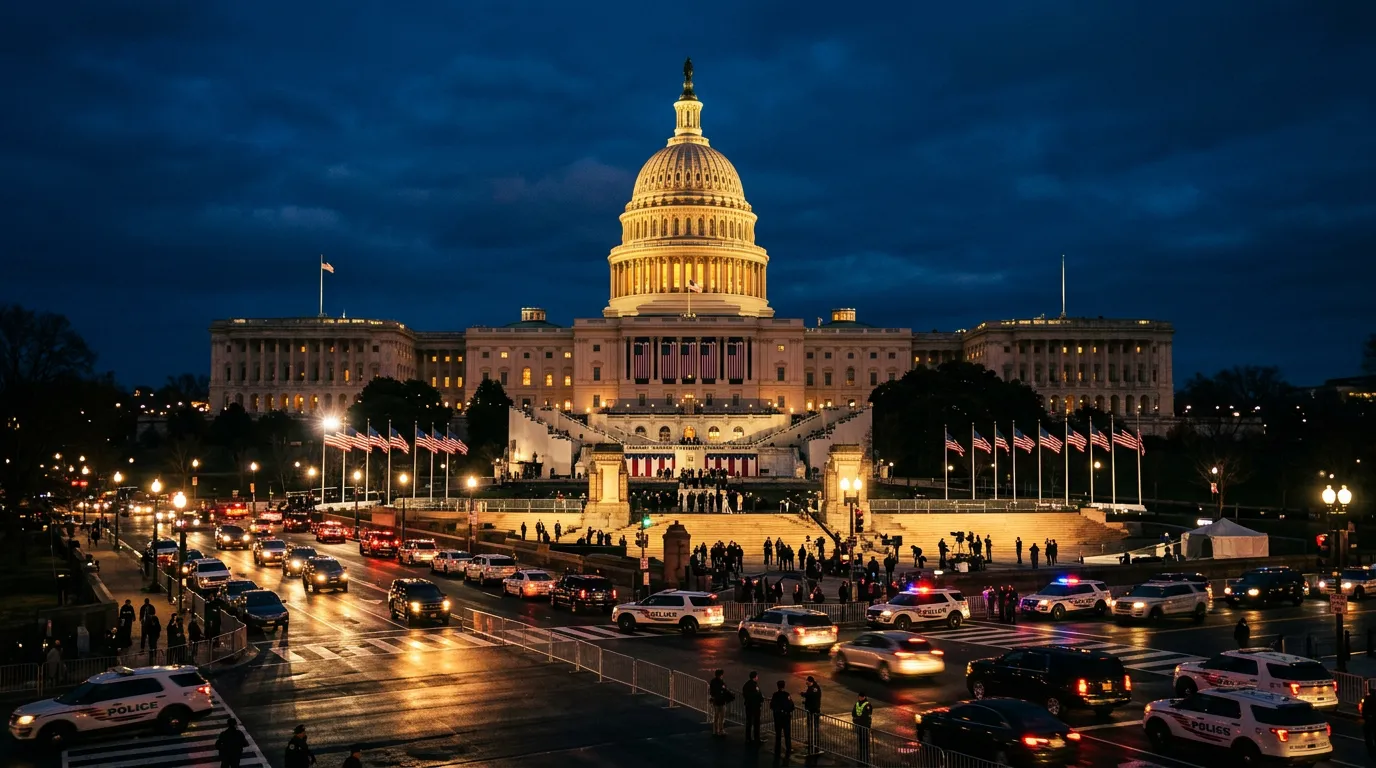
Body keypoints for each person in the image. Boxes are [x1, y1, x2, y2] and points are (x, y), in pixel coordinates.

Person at [769, 680, 795, 757]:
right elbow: (791, 706)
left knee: (778, 734)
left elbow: (772, 706)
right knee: (787, 734)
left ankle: (777, 749)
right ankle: (788, 748)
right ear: (784, 686)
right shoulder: (787, 695)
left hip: (778, 718)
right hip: (786, 717)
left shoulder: (775, 695)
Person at [803, 676, 822, 757]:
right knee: (811, 725)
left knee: (814, 726)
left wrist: (802, 694)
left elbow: (810, 696)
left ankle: (815, 742)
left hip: (813, 710)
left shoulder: (814, 688)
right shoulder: (812, 687)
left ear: (810, 681)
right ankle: (811, 740)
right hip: (812, 708)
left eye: (807, 681)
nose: (806, 682)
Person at [852, 692, 872, 765]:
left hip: (864, 725)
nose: (860, 698)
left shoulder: (867, 705)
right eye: (859, 697)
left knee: (865, 741)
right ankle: (861, 754)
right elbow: (853, 713)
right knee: (860, 740)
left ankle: (866, 757)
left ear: (864, 697)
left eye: (861, 697)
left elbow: (867, 716)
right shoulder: (857, 704)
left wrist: (867, 725)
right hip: (858, 725)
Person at [743, 671, 764, 743]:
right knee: (756, 723)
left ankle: (748, 738)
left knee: (749, 723)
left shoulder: (746, 685)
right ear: (754, 677)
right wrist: (761, 699)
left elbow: (745, 695)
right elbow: (758, 695)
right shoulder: (754, 685)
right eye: (757, 676)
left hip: (748, 706)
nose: (758, 677)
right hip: (755, 707)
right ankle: (756, 739)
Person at [708, 669, 730, 736]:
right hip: (721, 701)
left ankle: (715, 731)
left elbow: (711, 691)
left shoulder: (713, 681)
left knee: (716, 717)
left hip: (716, 701)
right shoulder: (721, 682)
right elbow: (724, 690)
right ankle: (721, 730)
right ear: (720, 675)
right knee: (721, 717)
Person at [1361, 680, 1376, 758]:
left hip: (1370, 719)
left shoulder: (1368, 698)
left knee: (1368, 735)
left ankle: (1371, 751)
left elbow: (1364, 710)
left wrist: (1365, 717)